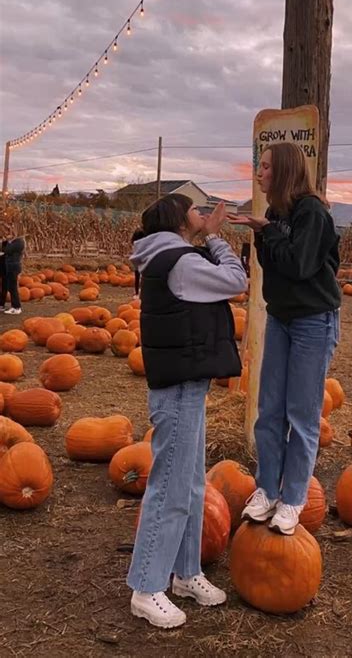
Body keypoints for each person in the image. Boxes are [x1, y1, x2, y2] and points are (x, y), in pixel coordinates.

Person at [127, 194, 247, 629]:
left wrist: (206, 235)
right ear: (180, 220)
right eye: (197, 210)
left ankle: (186, 572)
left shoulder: (169, 256)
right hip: (178, 387)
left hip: (186, 382)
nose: (204, 214)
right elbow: (237, 280)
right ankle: (146, 585)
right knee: (171, 488)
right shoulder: (180, 261)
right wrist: (215, 238)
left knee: (193, 484)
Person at [229, 142, 341, 536]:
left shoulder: (312, 212)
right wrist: (265, 232)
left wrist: (268, 231)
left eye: (264, 167)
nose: (258, 173)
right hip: (280, 318)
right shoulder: (276, 213)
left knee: (302, 415)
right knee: (269, 408)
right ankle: (266, 490)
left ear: (284, 171)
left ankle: (293, 499)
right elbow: (273, 265)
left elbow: (298, 264)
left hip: (313, 321)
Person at [0, 224, 26, 315]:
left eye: (11, 232)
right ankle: (11, 306)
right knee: (9, 287)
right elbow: (4, 249)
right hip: (10, 266)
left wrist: (8, 242)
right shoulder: (13, 242)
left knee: (13, 288)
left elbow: (6, 250)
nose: (9, 234)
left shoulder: (19, 242)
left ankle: (16, 307)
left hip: (14, 267)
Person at [131, 227, 145, 296]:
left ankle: (136, 292)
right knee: (144, 276)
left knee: (137, 276)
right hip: (143, 259)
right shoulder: (144, 243)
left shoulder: (134, 243)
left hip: (136, 259)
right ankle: (142, 291)